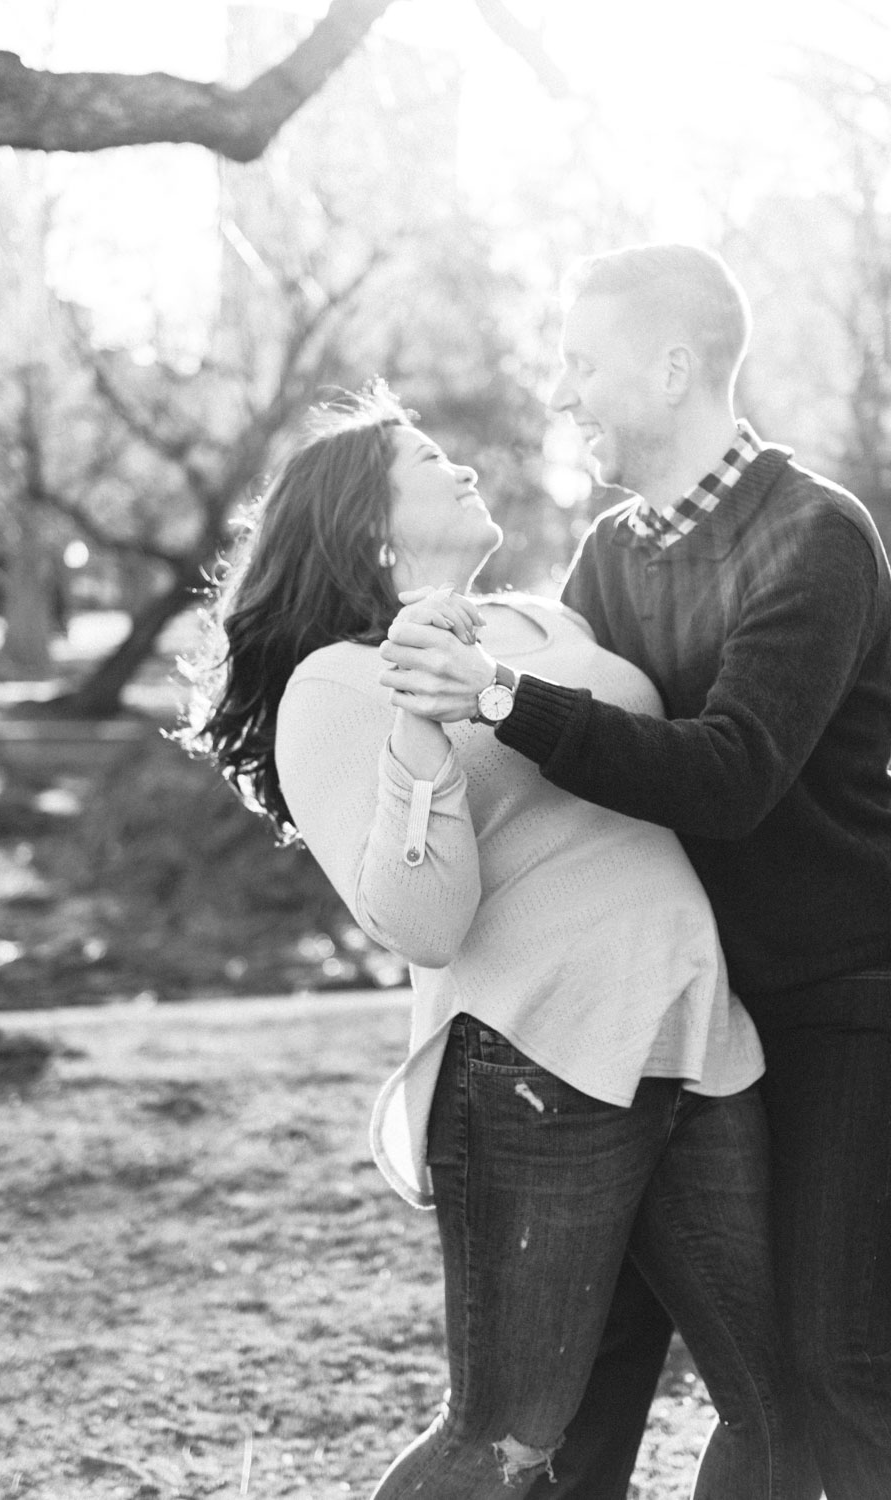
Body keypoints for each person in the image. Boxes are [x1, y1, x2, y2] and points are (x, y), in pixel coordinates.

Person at [186, 382, 815, 1498]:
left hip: (696, 1039)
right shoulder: (334, 686)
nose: (464, 467)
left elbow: (673, 764)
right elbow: (421, 923)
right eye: (426, 459)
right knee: (505, 1437)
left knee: (788, 1403)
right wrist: (426, 714)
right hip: (536, 1067)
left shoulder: (549, 619)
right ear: (367, 526)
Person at [378, 242, 891, 1500]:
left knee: (823, 1368)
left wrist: (499, 692)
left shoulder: (815, 536)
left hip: (835, 1002)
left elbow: (726, 774)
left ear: (672, 370)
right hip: (680, 1009)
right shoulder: (612, 547)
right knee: (596, 1360)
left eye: (582, 361)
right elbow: (583, 735)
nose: (561, 391)